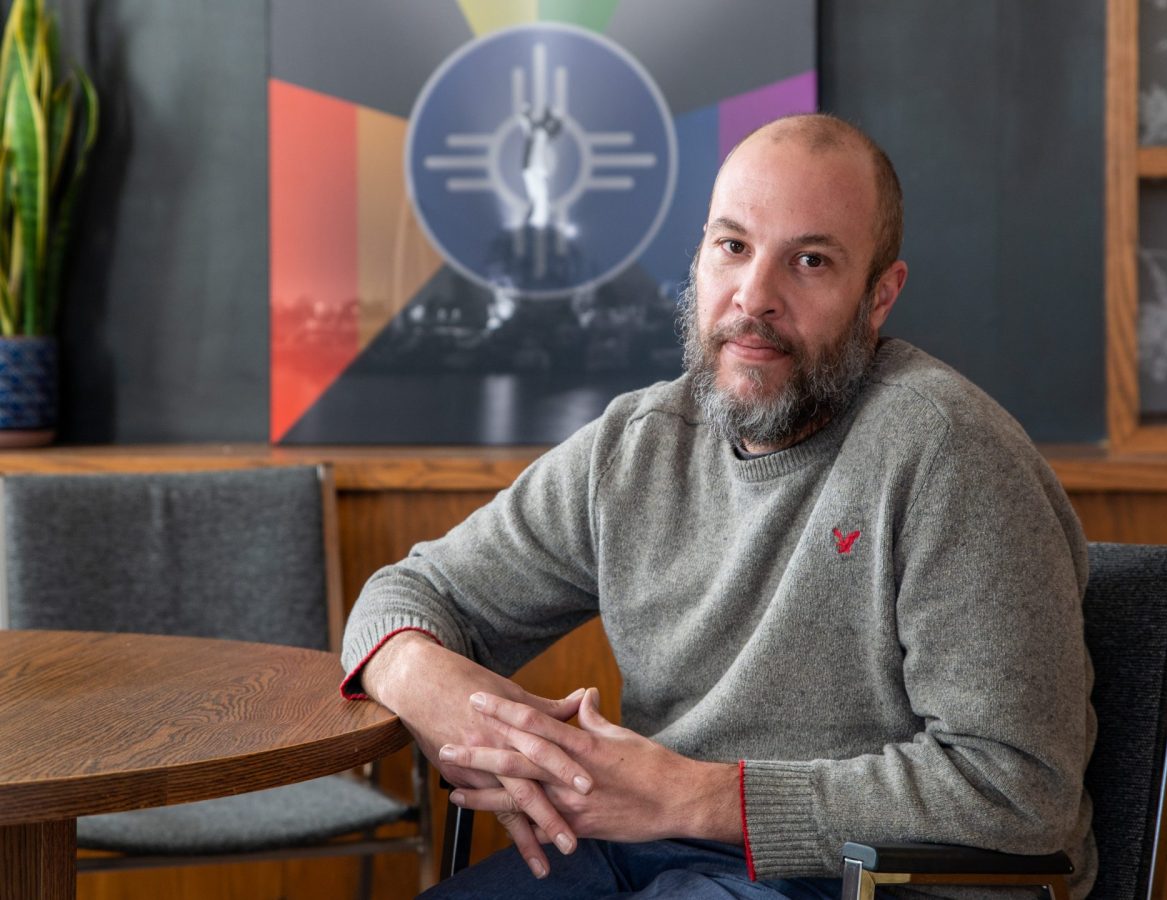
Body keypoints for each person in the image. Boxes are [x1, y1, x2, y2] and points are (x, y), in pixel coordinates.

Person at [341, 113, 1096, 900]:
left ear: (880, 297)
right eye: (732, 247)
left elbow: (1019, 790)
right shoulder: (635, 445)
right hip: (643, 856)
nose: (754, 296)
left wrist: (690, 795)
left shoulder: (950, 453)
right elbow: (408, 595)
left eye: (809, 261)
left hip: (865, 880)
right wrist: (443, 697)